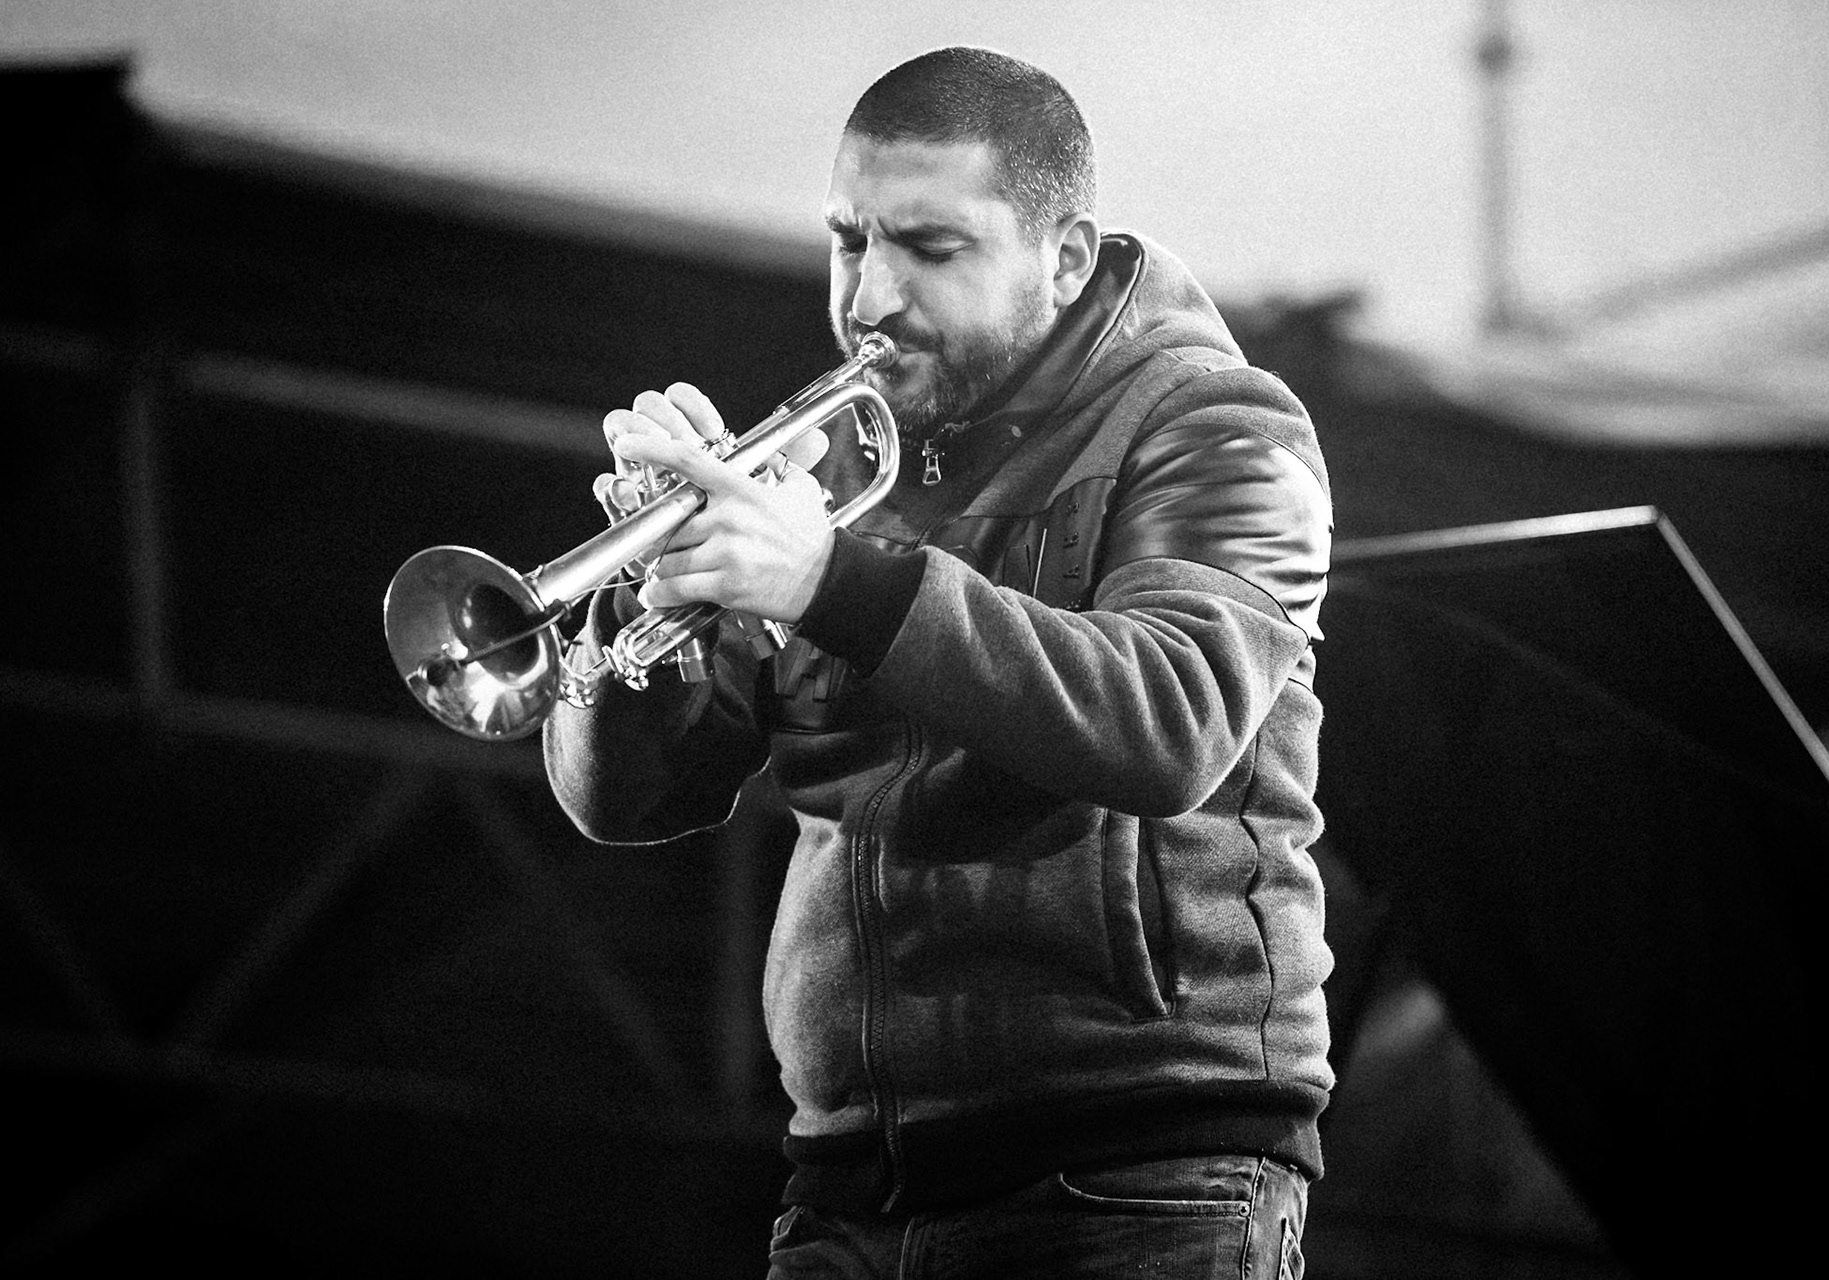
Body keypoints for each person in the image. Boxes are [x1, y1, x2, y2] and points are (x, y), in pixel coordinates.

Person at [545, 46, 1335, 1280]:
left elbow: (1166, 724)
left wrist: (827, 580)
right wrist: (658, 609)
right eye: (849, 240)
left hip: (1141, 1178)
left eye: (930, 247)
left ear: (1063, 260)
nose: (870, 295)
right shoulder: (845, 465)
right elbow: (630, 800)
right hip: (849, 1186)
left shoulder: (1222, 427)